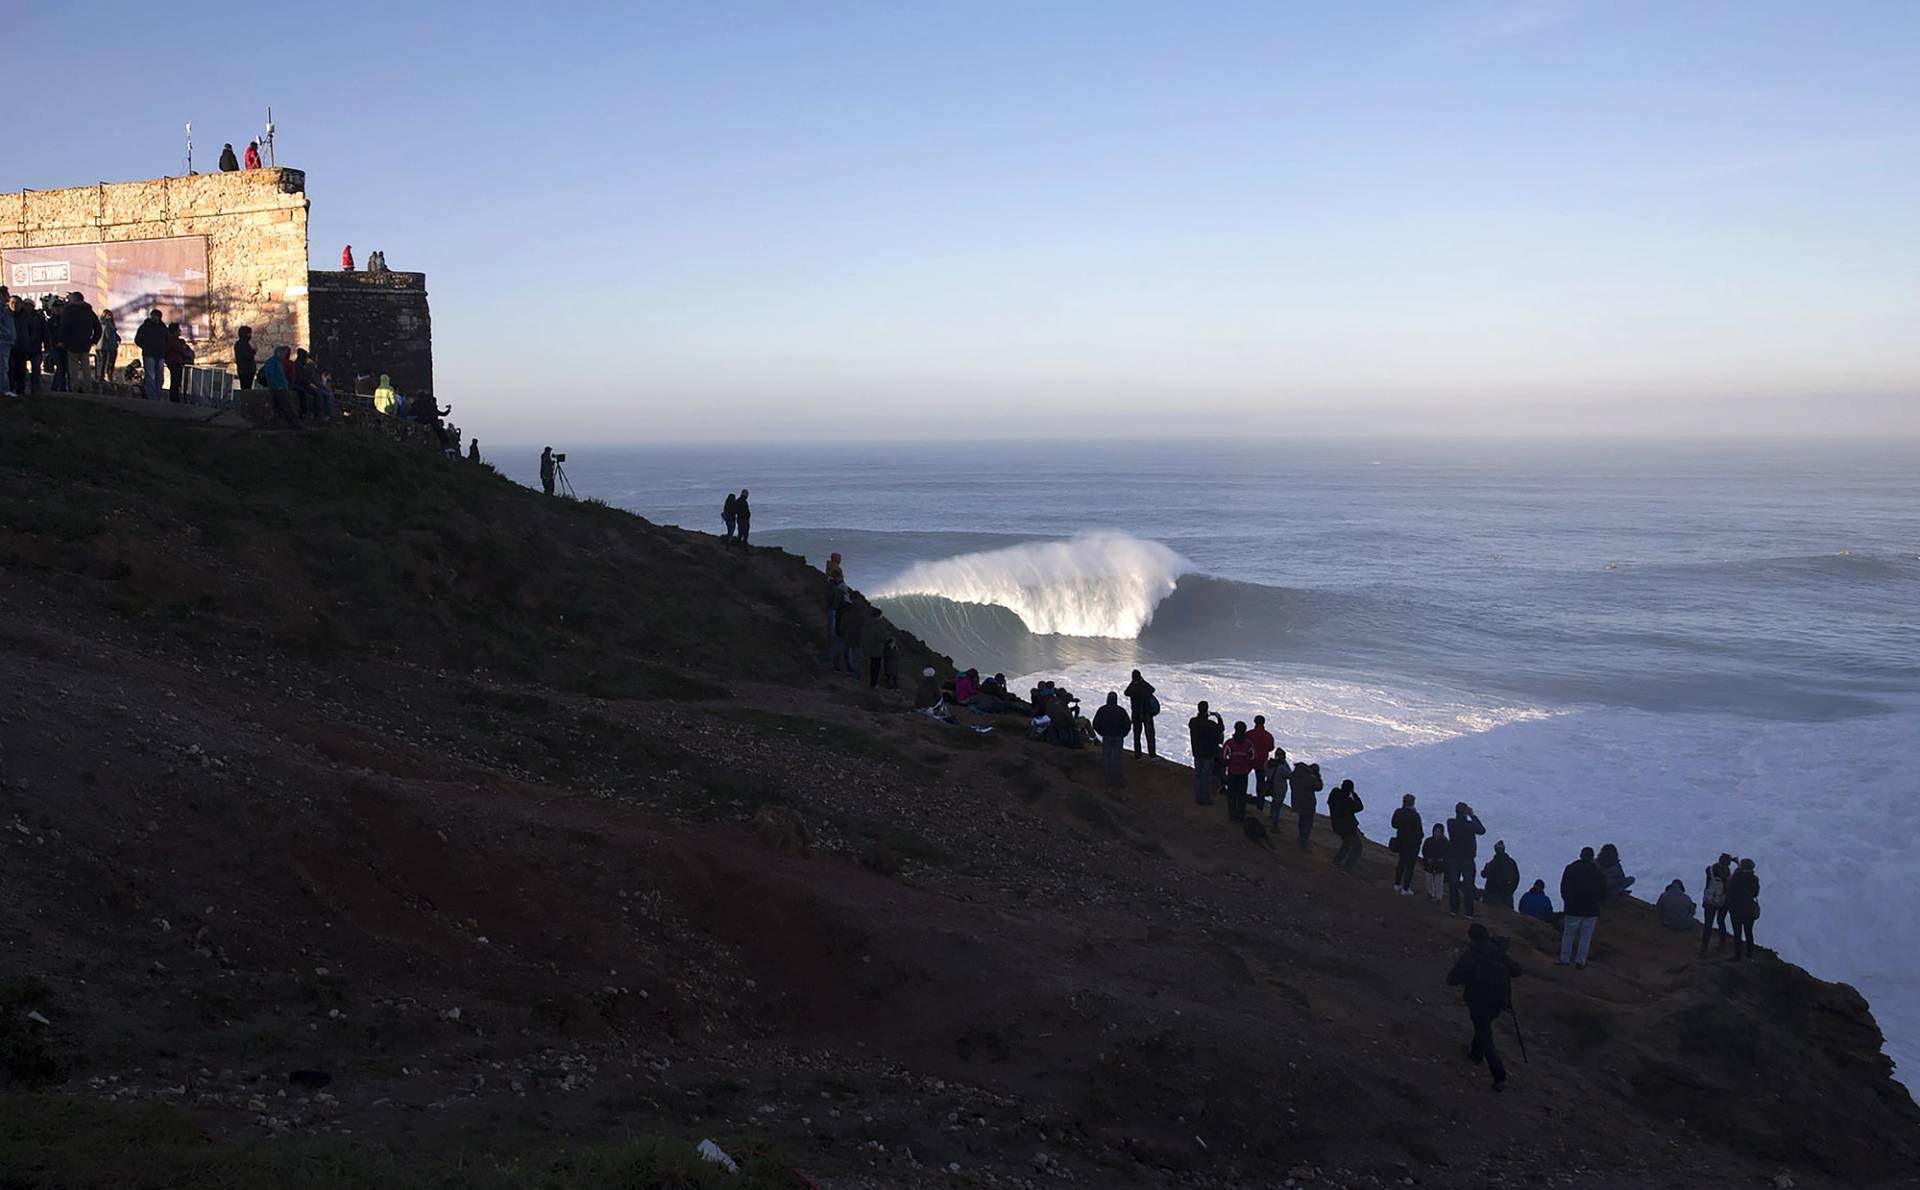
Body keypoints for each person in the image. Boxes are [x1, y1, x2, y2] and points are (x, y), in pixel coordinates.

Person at [1446, 922, 1522, 1092]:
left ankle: (1499, 1076)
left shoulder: (1471, 956)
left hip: (1477, 1001)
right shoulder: (1498, 953)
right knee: (1483, 1028)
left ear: (1472, 938)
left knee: (1486, 1036)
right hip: (1498, 1002)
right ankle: (1475, 1054)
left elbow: (1451, 980)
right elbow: (1517, 971)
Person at [1558, 846, 1606, 968]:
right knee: (1585, 937)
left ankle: (1564, 959)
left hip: (1573, 908)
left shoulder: (1571, 868)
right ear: (1592, 857)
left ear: (1580, 855)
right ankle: (1580, 962)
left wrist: (1567, 902)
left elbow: (1564, 888)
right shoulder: (1597, 871)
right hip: (1591, 910)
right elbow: (1602, 890)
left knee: (1568, 934)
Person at [1445, 802, 1486, 918]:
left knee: (1454, 884)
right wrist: (1472, 815)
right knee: (1468, 885)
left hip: (1454, 858)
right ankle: (1468, 911)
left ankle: (1454, 909)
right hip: (1467, 859)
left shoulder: (1451, 823)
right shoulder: (1469, 825)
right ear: (1465, 812)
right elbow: (1482, 830)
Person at [56, 292, 98, 392]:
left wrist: (62, 340)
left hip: (71, 344)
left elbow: (64, 326)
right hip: (85, 343)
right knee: (86, 367)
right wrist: (93, 340)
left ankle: (74, 388)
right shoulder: (89, 311)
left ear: (74, 299)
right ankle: (87, 387)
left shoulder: (69, 310)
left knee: (73, 368)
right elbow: (97, 327)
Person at [1187, 703, 1223, 806]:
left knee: (1198, 775)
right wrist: (1219, 718)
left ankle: (1198, 797)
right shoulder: (1210, 725)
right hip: (1208, 754)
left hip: (1197, 753)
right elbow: (1221, 729)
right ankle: (1205, 799)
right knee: (1206, 777)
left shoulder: (1193, 722)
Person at [1092, 693, 1132, 788]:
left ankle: (1107, 779)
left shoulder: (1102, 710)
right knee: (1118, 759)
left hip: (1107, 737)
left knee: (1107, 758)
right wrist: (1123, 734)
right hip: (1118, 737)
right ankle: (1118, 780)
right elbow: (1127, 724)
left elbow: (1095, 723)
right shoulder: (1121, 711)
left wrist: (1102, 732)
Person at [1221, 721, 1258, 821]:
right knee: (1241, 795)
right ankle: (1241, 815)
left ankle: (1232, 815)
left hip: (1232, 772)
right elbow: (1253, 758)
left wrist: (1229, 765)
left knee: (1232, 795)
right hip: (1243, 773)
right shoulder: (1249, 744)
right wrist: (1248, 767)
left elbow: (1224, 757)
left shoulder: (1229, 743)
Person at [257, 345, 300, 429]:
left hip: (282, 386)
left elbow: (281, 375)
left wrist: (285, 384)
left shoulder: (278, 362)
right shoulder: (271, 362)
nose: (284, 355)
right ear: (279, 353)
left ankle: (283, 424)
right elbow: (270, 376)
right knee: (288, 406)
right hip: (277, 388)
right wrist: (277, 386)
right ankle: (294, 425)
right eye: (283, 353)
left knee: (283, 407)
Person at [1727, 858, 1761, 961]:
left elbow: (1729, 890)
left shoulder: (1736, 877)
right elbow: (1755, 893)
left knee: (1737, 933)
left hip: (1736, 909)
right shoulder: (1754, 879)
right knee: (1749, 932)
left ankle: (1738, 956)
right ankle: (1749, 954)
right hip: (1749, 909)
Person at [1329, 778, 1365, 872]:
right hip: (1348, 827)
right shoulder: (1348, 802)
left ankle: (1337, 861)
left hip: (1337, 825)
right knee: (1358, 847)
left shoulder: (1334, 795)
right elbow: (1360, 807)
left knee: (1347, 843)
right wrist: (1354, 795)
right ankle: (1346, 868)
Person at [1390, 794, 1423, 895]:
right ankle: (1406, 888)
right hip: (1412, 844)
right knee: (1410, 866)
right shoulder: (1415, 815)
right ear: (1412, 803)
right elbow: (1419, 832)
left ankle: (1397, 884)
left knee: (1401, 863)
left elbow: (1394, 824)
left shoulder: (1399, 812)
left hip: (1401, 841)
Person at [1700, 853, 1733, 955]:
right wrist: (1737, 862)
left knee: (1708, 924)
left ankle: (1704, 948)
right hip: (1723, 901)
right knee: (1721, 921)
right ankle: (1722, 945)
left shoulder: (1710, 870)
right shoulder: (1729, 875)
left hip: (1710, 900)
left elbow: (1709, 868)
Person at [134, 309, 168, 401]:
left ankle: (158, 396)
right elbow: (137, 340)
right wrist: (145, 347)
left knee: (159, 377)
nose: (154, 318)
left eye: (156, 316)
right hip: (149, 354)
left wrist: (164, 350)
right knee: (150, 376)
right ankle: (152, 398)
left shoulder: (163, 327)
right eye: (153, 316)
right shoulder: (145, 326)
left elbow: (167, 339)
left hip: (160, 355)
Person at [1122, 670, 1158, 757]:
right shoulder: (1144, 686)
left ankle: (1138, 755)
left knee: (1137, 735)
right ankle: (1152, 755)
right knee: (1150, 735)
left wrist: (1133, 683)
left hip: (1136, 715)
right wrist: (1142, 681)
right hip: (1147, 715)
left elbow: (1126, 692)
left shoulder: (1133, 687)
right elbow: (1152, 689)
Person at [1290, 760, 1322, 850]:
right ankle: (1303, 843)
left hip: (1297, 801)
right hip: (1308, 803)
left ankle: (1301, 839)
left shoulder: (1295, 774)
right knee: (1307, 823)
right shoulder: (1309, 778)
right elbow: (1319, 787)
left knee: (1302, 821)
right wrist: (1317, 777)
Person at [1481, 841, 1520, 910]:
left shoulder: (1492, 863)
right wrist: (1510, 892)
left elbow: (1483, 874)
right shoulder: (1511, 863)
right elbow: (1516, 878)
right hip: (1507, 896)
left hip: (1492, 895)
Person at [1247, 714, 1276, 804]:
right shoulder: (1268, 735)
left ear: (1255, 722)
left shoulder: (1249, 734)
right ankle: (1260, 803)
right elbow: (1271, 747)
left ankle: (1240, 796)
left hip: (1249, 761)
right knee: (1261, 783)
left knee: (1242, 778)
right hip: (1262, 762)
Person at [163, 323, 193, 400]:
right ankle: (174, 397)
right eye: (178, 330)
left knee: (177, 380)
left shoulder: (176, 340)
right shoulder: (171, 340)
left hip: (176, 361)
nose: (180, 331)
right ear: (175, 331)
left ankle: (176, 396)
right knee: (175, 380)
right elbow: (179, 349)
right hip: (173, 362)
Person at [1264, 748, 1293, 827]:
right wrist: (1285, 763)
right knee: (1277, 806)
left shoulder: (1268, 763)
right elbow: (1290, 775)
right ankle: (1274, 824)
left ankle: (1271, 816)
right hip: (1280, 788)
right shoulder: (1281, 768)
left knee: (1274, 803)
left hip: (1270, 786)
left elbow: (1265, 772)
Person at [1421, 825, 1449, 902]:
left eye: (1439, 832)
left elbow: (1447, 853)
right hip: (1429, 864)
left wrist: (1443, 859)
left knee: (1439, 882)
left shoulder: (1445, 842)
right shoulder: (1428, 841)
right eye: (1436, 831)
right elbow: (1424, 851)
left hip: (1440, 865)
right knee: (1428, 880)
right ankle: (1430, 894)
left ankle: (1438, 897)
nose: (1438, 834)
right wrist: (1427, 858)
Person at [95, 312, 119, 386]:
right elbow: (108, 335)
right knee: (105, 363)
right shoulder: (108, 324)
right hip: (105, 346)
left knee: (100, 362)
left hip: (99, 345)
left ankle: (99, 377)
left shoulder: (100, 322)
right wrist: (114, 343)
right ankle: (102, 377)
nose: (109, 317)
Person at [0, 288, 16, 396]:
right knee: (3, 366)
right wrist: (5, 334)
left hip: (7, 341)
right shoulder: (1, 308)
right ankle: (4, 389)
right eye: (7, 294)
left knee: (4, 366)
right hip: (3, 341)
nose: (9, 296)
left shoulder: (5, 308)